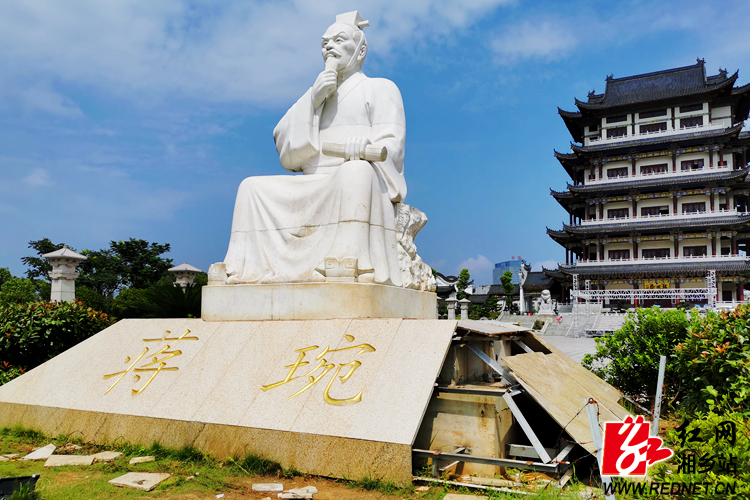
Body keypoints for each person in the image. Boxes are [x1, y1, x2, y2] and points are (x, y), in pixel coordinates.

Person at [221, 11, 406, 286]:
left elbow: (392, 144)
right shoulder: (315, 94)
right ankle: (243, 267)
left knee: (355, 171)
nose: (329, 47)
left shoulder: (380, 88)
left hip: (357, 180)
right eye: (324, 42)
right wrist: (313, 100)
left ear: (360, 49)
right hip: (314, 182)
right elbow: (286, 150)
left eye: (338, 40)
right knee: (251, 187)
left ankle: (346, 261)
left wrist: (365, 148)